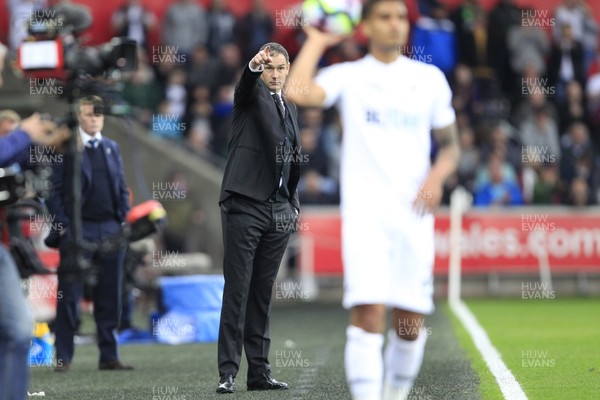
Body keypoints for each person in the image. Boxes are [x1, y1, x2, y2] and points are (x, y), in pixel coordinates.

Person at [285, 1, 460, 399]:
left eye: (400, 17)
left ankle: (395, 394)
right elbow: (296, 91)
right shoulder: (349, 76)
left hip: (414, 217)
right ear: (364, 27)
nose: (395, 25)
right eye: (384, 17)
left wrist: (436, 178)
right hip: (365, 217)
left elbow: (451, 149)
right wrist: (316, 39)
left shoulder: (429, 79)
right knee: (367, 313)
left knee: (410, 323)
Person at [216, 42, 301, 394]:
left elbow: (291, 159)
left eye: (281, 69)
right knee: (238, 289)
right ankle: (228, 373)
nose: (276, 75)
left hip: (278, 210)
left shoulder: (290, 106)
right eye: (270, 69)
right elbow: (244, 87)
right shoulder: (251, 97)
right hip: (245, 206)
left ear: (288, 68)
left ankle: (259, 373)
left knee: (262, 294)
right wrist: (251, 69)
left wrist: (292, 204)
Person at [45, 95, 132, 371]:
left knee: (110, 295)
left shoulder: (112, 147)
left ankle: (109, 356)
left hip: (109, 228)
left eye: (98, 113)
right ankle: (63, 357)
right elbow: (53, 192)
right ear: (79, 116)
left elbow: (121, 185)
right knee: (70, 296)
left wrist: (122, 219)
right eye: (88, 113)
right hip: (78, 230)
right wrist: (65, 226)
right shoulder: (67, 147)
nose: (94, 117)